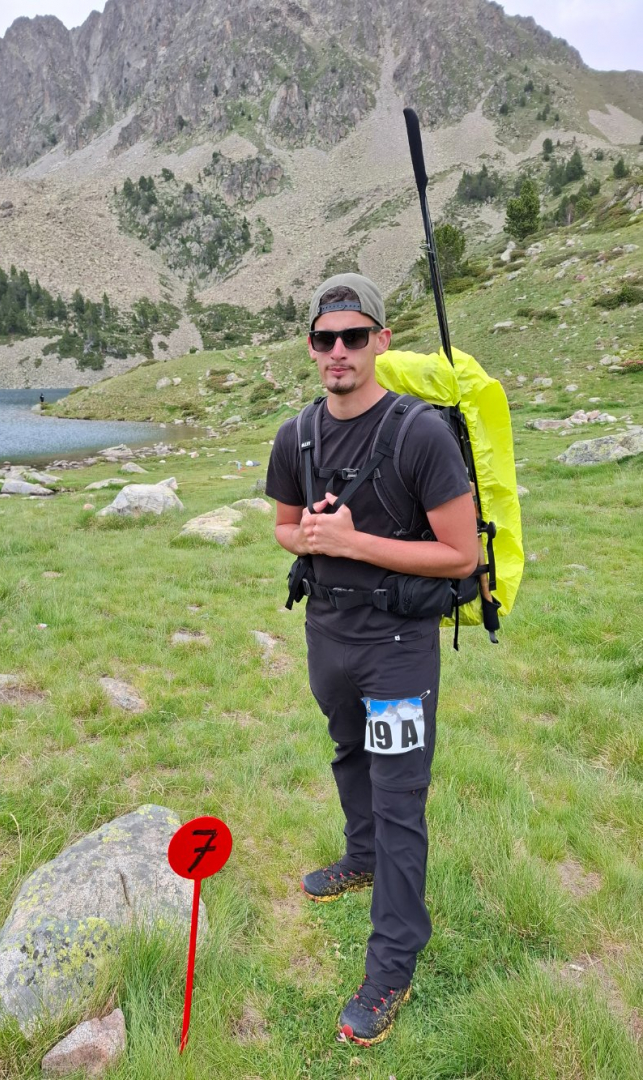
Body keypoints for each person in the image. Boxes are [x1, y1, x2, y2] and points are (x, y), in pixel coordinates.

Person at [265, 273, 479, 1046]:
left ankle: (392, 964)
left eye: (355, 336)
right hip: (328, 638)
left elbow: (460, 555)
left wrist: (355, 542)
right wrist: (310, 536)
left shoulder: (420, 434)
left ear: (382, 341)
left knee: (398, 801)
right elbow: (285, 528)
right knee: (349, 756)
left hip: (397, 651)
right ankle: (360, 860)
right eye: (325, 338)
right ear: (311, 348)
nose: (340, 351)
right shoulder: (296, 435)